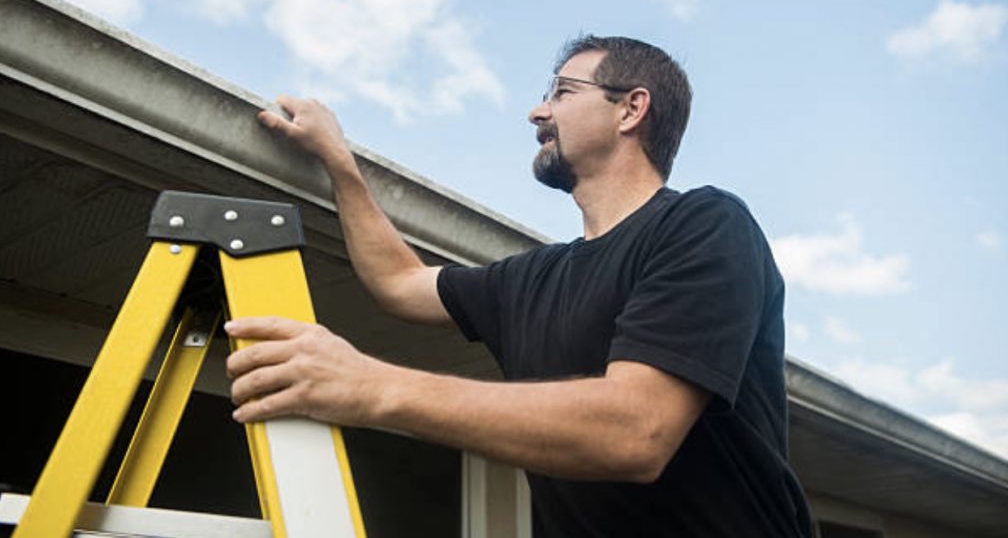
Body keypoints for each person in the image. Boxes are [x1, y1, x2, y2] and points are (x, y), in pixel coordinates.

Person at [225, 35, 812, 537]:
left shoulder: (705, 225)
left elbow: (637, 428)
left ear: (631, 109)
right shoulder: (531, 278)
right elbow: (400, 283)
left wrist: (370, 387)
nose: (537, 112)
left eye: (562, 92)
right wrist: (339, 163)